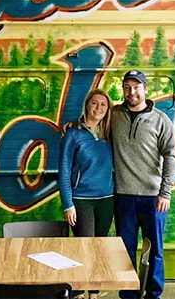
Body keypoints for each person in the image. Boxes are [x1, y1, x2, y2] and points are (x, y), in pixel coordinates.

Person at [113, 70, 175, 299]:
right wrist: (73, 126)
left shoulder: (160, 119)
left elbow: (171, 155)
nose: (132, 92)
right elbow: (93, 125)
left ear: (145, 89)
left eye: (136, 87)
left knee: (156, 252)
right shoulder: (114, 116)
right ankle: (128, 294)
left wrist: (165, 192)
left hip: (153, 198)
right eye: (127, 87)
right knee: (125, 251)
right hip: (124, 196)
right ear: (123, 90)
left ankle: (153, 294)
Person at [58, 88, 115, 299]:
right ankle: (79, 291)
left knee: (99, 246)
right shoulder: (73, 133)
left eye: (103, 104)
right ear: (87, 105)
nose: (98, 108)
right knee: (84, 246)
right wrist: (67, 204)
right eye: (94, 103)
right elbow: (64, 170)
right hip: (81, 200)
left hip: (106, 199)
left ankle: (94, 292)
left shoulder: (110, 132)